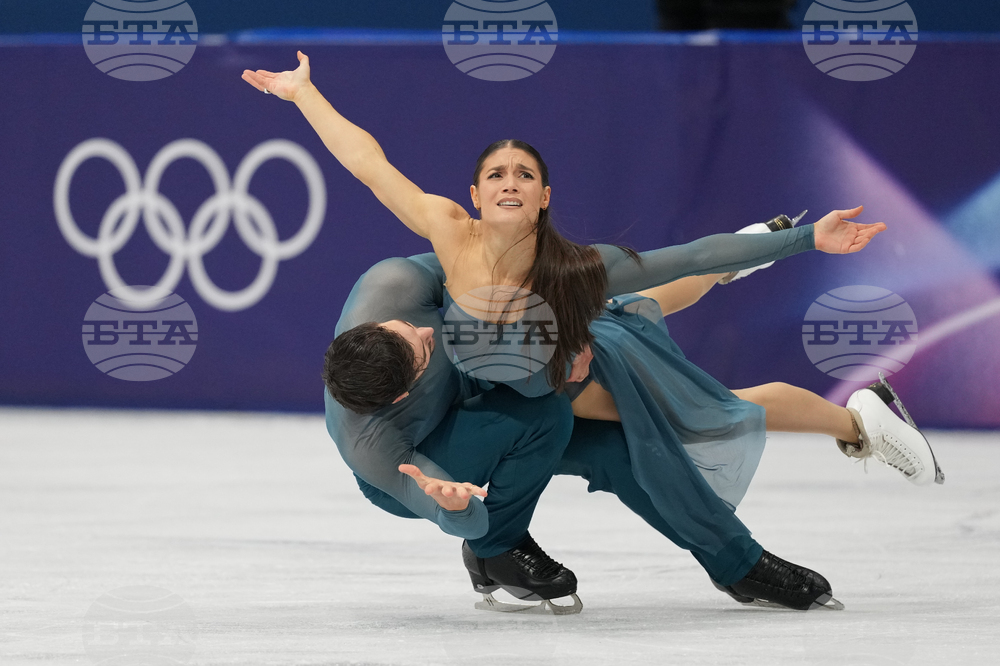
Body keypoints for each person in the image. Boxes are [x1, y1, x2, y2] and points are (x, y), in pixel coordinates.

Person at [242, 53, 941, 612]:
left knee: (692, 413)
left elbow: (690, 254)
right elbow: (369, 164)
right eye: (496, 174)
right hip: (505, 384)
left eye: (524, 174)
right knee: (647, 313)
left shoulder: (573, 269)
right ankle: (505, 545)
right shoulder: (446, 237)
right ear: (475, 193)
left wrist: (808, 242)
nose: (509, 182)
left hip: (560, 366)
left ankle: (858, 423)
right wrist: (304, 96)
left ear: (545, 195)